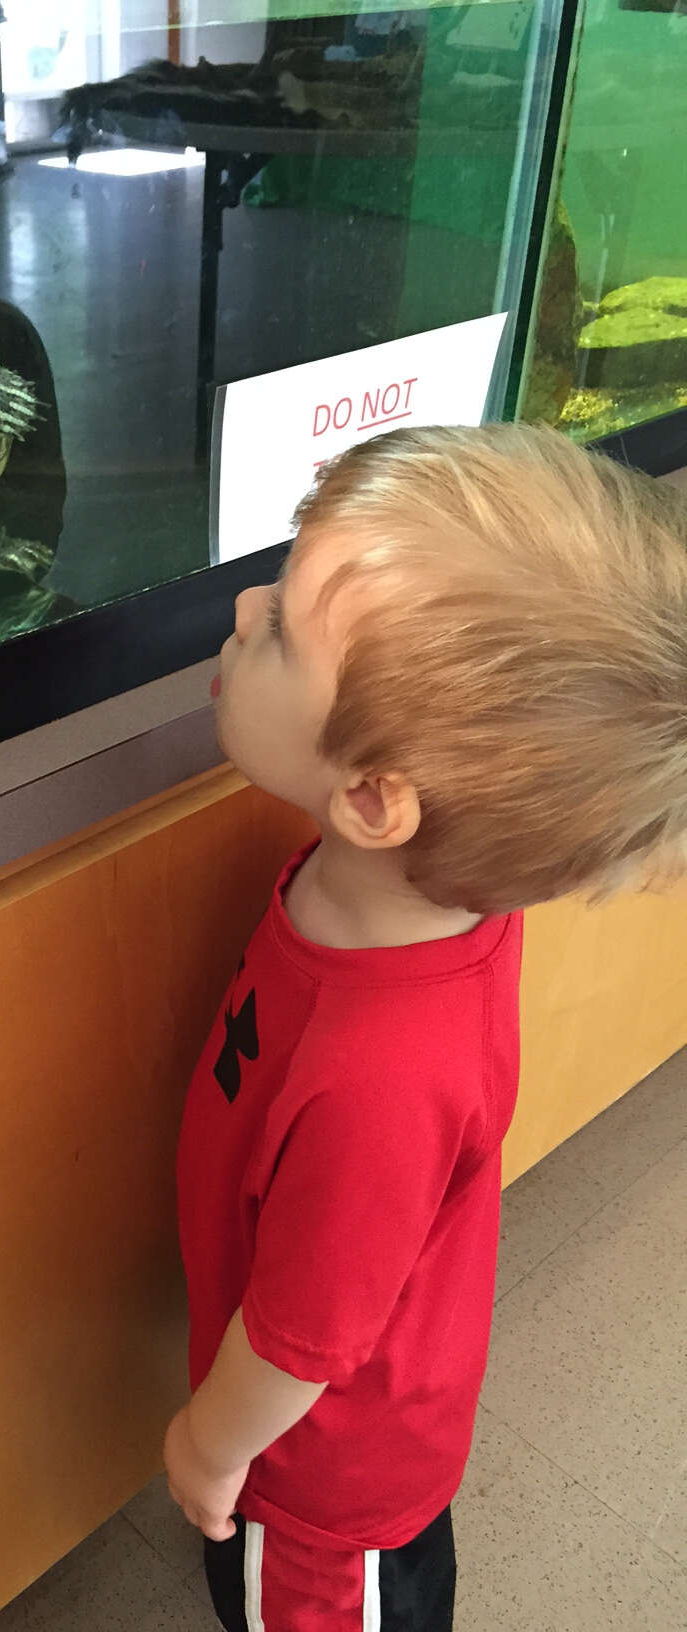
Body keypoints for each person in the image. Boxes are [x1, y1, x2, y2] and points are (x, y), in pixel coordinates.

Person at [164, 423, 687, 1631]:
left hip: (312, 1491)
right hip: (335, 1415)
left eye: (283, 628)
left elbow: (300, 1342)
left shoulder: (381, 1075)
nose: (245, 607)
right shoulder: (401, 898)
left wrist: (207, 1444)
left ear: (373, 799)